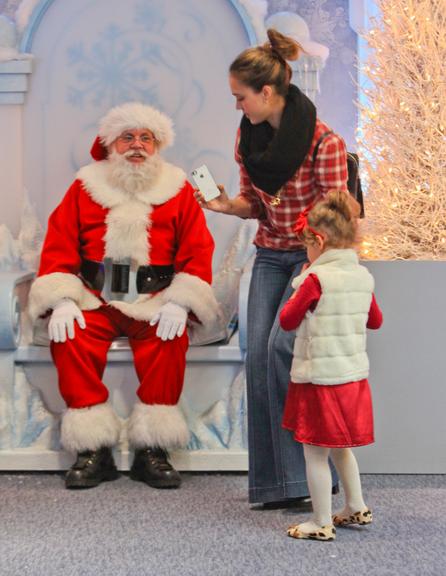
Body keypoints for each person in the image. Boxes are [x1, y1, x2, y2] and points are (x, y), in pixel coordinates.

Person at [196, 29, 351, 506]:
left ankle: (311, 478)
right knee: (259, 358)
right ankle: (277, 485)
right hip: (269, 253)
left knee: (285, 352)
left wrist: (312, 266)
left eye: (240, 97)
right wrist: (226, 205)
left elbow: (336, 218)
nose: (236, 106)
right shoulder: (249, 139)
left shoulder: (325, 143)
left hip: (312, 259)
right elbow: (257, 206)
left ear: (267, 92)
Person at [28, 102, 218, 490]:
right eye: (127, 137)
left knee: (168, 339)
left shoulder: (178, 188)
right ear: (110, 144)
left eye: (146, 138)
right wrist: (63, 298)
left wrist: (181, 301)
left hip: (156, 298)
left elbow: (198, 250)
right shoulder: (85, 186)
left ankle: (152, 449)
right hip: (95, 296)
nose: (137, 146)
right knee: (71, 338)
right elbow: (59, 243)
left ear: (158, 145)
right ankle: (93, 449)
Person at [280, 191, 383, 540]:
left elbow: (287, 319)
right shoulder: (362, 277)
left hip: (320, 380)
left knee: (314, 452)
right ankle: (355, 506)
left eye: (307, 246)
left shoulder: (315, 280)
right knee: (342, 448)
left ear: (319, 242)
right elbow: (376, 321)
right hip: (352, 378)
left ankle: (321, 521)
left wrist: (301, 283)